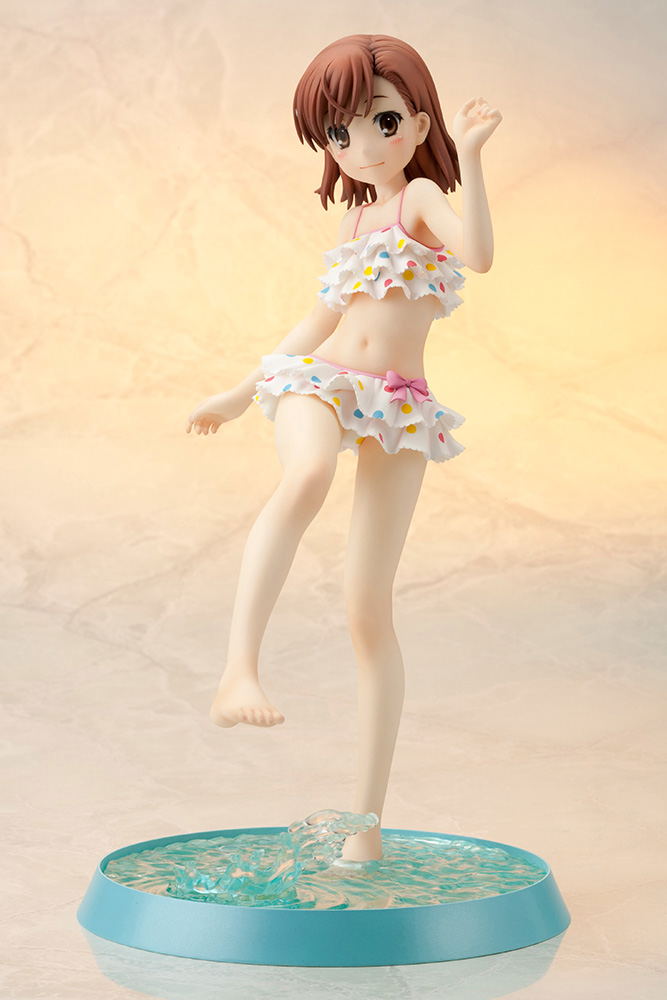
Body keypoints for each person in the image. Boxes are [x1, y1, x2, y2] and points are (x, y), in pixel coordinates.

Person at [186, 34, 501, 862]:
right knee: (307, 473)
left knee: (369, 611)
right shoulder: (355, 219)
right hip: (321, 380)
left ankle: (365, 826)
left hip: (398, 404)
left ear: (418, 124)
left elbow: (478, 255)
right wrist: (242, 389)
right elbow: (318, 320)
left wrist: (470, 156)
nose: (360, 146)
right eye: (339, 132)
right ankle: (238, 669)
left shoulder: (419, 197)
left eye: (382, 122)